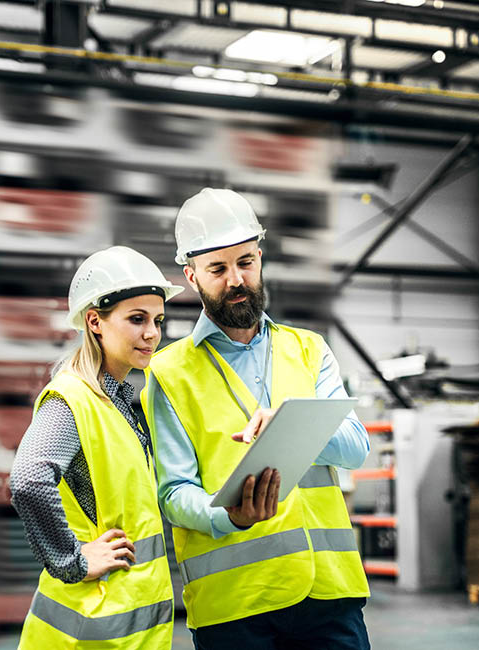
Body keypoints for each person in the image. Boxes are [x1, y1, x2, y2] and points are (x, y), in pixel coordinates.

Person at [141, 188, 372, 650]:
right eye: (218, 269)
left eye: (245, 262)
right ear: (190, 276)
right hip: (235, 606)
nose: (236, 280)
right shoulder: (168, 373)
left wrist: (293, 426)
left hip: (328, 592)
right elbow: (174, 492)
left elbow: (355, 448)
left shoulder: (308, 349)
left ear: (260, 258)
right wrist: (228, 516)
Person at [10, 246, 184, 650]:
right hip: (88, 628)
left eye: (158, 320)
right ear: (95, 322)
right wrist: (73, 560)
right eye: (137, 320)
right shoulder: (73, 397)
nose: (152, 333)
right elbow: (29, 480)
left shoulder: (117, 399)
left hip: (123, 626)